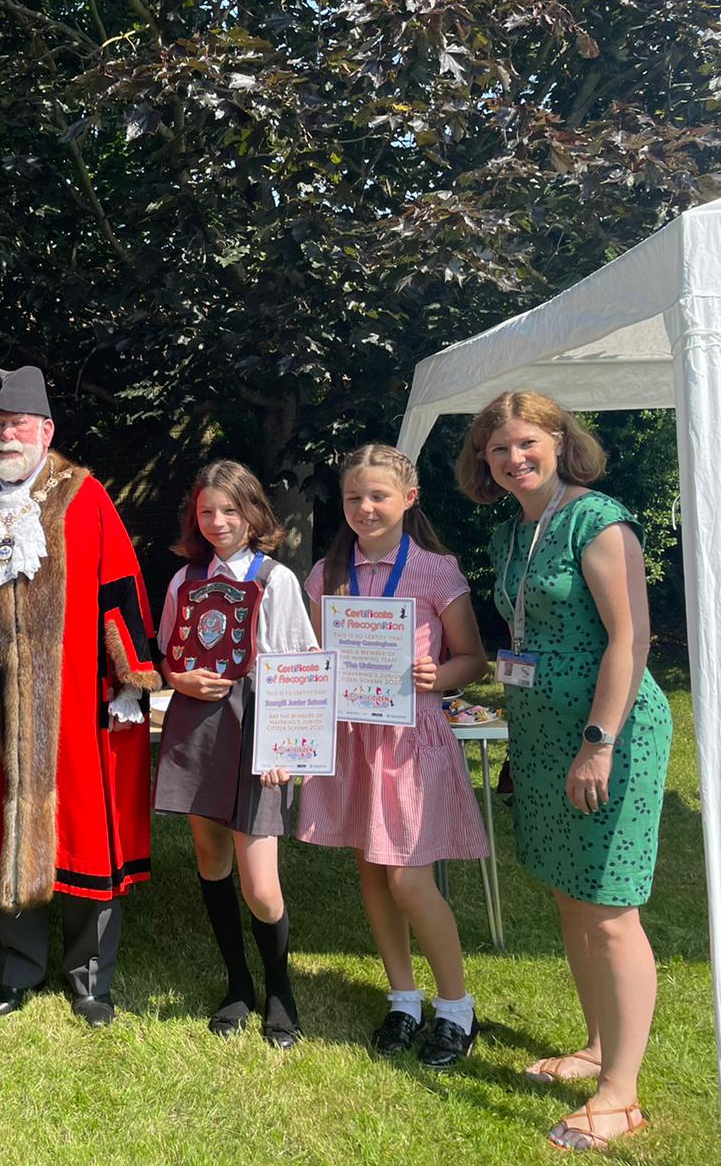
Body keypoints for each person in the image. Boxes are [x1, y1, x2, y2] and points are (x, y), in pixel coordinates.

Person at [0, 366, 159, 1028]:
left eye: (17, 424)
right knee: (3, 829)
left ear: (46, 431)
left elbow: (120, 590)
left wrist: (129, 680)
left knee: (87, 836)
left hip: (74, 706)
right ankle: (16, 970)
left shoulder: (86, 499)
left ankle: (90, 980)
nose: (5, 435)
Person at [457, 391, 671, 1151]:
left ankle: (622, 1095)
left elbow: (631, 639)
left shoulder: (597, 518)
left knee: (610, 909)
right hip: (543, 739)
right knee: (570, 897)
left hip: (605, 734)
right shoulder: (510, 531)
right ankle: (597, 1048)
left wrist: (598, 742)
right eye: (497, 449)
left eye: (525, 443)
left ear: (558, 439)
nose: (513, 458)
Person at [297, 445, 488, 1068]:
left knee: (408, 876)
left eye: (378, 495)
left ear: (409, 498)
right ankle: (404, 999)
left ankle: (456, 1007)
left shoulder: (435, 570)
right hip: (355, 740)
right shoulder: (325, 575)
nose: (365, 507)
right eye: (354, 497)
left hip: (410, 744)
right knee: (374, 873)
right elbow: (317, 660)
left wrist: (440, 675)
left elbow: (472, 659)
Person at [153, 460, 316, 1048]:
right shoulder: (182, 581)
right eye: (206, 511)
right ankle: (238, 985)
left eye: (230, 510)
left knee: (261, 885)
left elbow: (297, 667)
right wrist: (181, 679)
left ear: (253, 514)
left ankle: (281, 990)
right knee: (208, 853)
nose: (218, 522)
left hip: (259, 727)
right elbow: (168, 656)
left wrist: (284, 744)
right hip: (199, 723)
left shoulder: (277, 580)